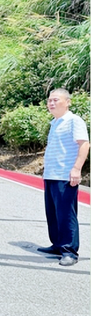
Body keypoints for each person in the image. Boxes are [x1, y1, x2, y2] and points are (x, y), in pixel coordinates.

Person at [37, 88, 89, 267]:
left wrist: (76, 169)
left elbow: (84, 145)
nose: (51, 103)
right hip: (51, 174)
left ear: (67, 102)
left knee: (66, 213)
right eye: (49, 100)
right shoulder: (55, 123)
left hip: (65, 175)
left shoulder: (74, 121)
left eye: (56, 100)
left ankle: (69, 251)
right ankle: (57, 245)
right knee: (53, 213)